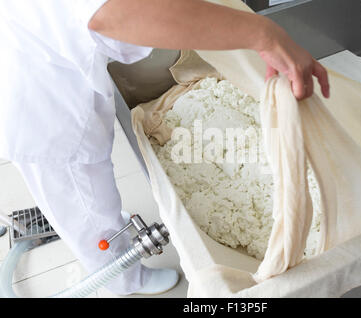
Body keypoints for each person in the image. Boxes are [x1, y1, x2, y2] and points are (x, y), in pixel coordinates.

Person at [0, 0, 329, 296]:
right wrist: (263, 33)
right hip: (41, 110)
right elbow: (113, 14)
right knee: (83, 202)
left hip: (35, 57)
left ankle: (106, 232)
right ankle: (122, 278)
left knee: (85, 194)